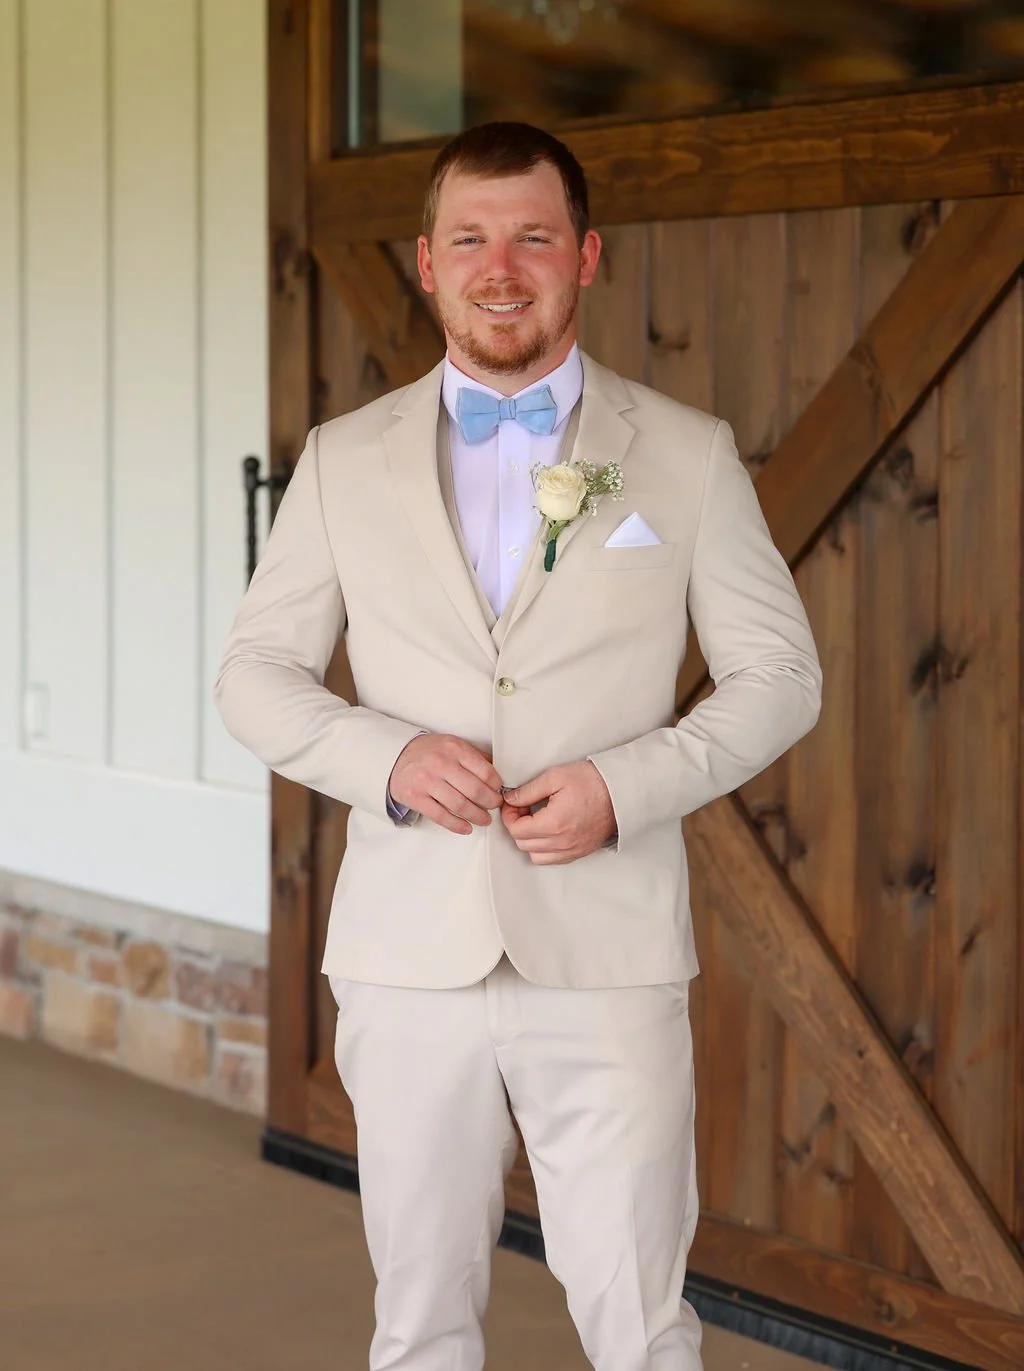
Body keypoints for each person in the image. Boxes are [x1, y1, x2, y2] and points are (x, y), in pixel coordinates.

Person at [214, 121, 821, 1371]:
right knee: (419, 1321)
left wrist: (625, 785)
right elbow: (253, 678)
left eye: (533, 237)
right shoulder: (340, 460)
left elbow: (780, 676)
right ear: (426, 263)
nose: (500, 269)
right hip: (407, 954)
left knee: (641, 1325)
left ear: (585, 256)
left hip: (605, 949)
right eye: (470, 240)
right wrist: (385, 759)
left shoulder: (688, 455)